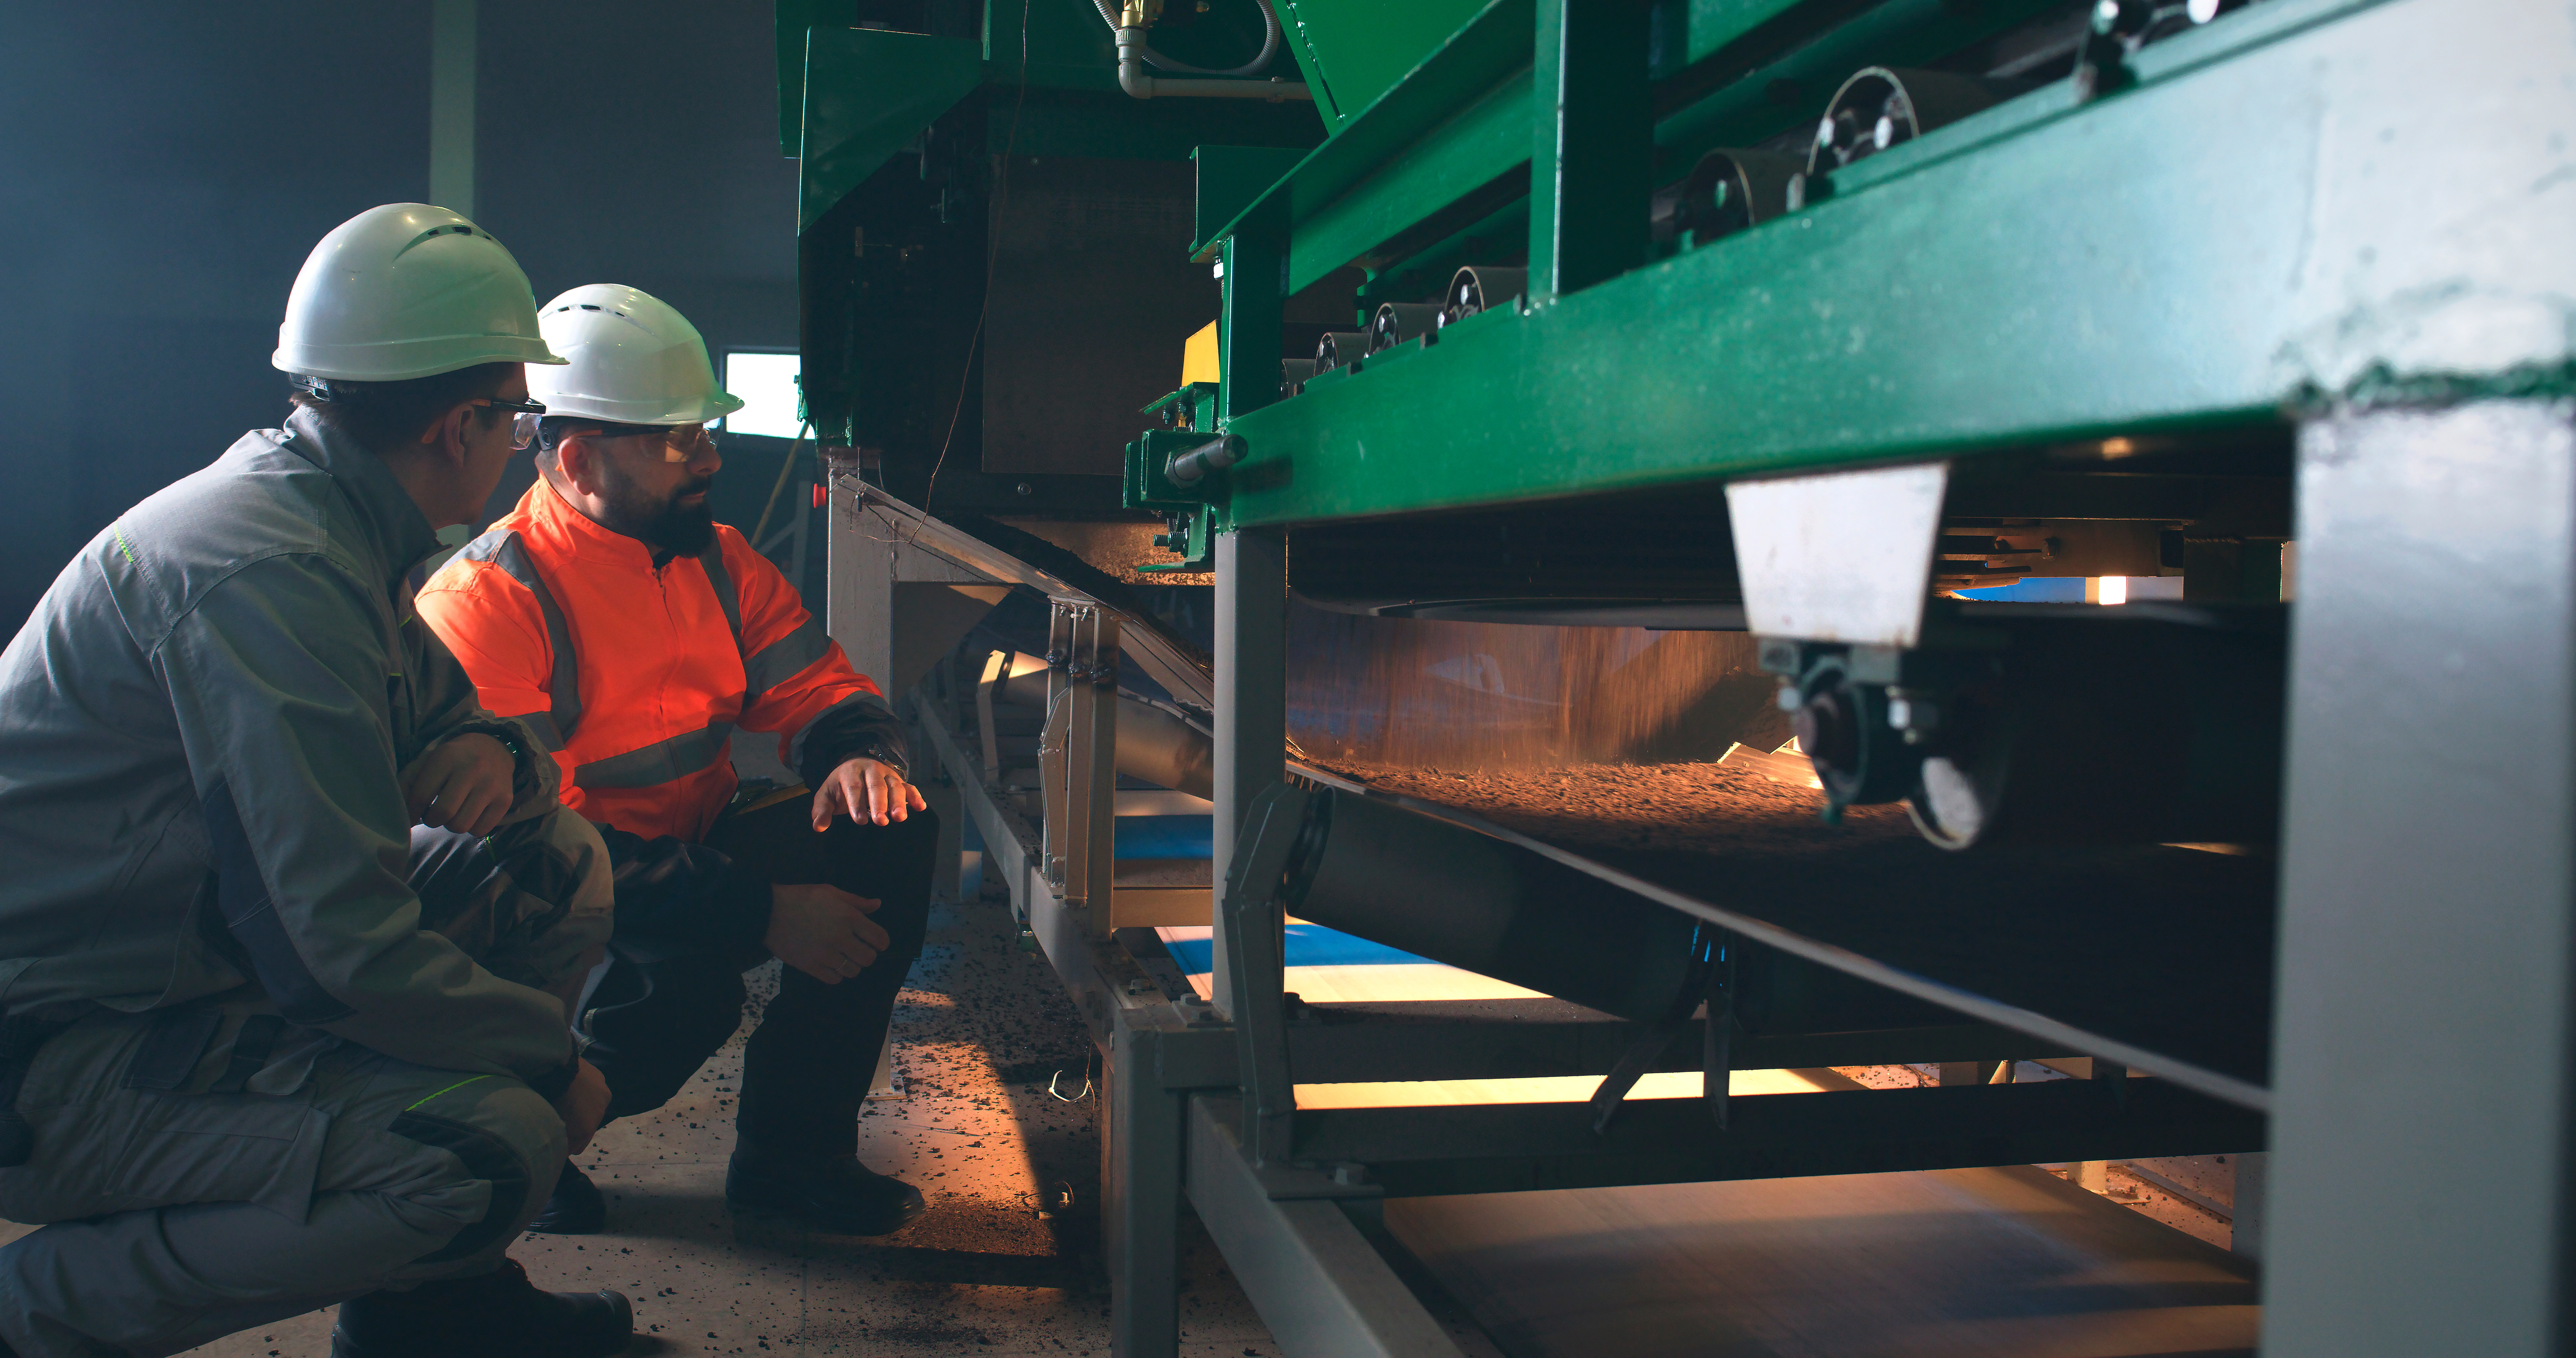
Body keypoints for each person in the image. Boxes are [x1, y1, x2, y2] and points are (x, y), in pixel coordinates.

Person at [0, 204, 634, 1358]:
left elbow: (485, 737)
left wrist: (495, 755)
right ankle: (32, 1317)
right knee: (485, 1144)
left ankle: (432, 1313)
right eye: (519, 416)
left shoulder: (338, 525)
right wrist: (554, 1064)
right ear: (463, 426)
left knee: (548, 864)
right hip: (51, 1049)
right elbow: (336, 951)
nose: (518, 441)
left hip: (176, 958)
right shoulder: (273, 573)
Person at [414, 284, 938, 1239]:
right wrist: (764, 911)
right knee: (678, 990)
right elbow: (539, 848)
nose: (710, 457)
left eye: (703, 431)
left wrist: (859, 756)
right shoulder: (489, 598)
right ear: (577, 461)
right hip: (531, 904)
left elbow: (820, 686)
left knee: (888, 824)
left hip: (680, 859)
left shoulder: (716, 558)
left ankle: (792, 1157)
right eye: (677, 440)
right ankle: (502, 1144)